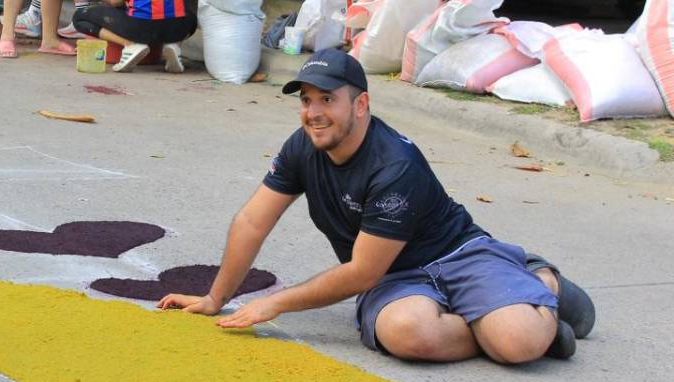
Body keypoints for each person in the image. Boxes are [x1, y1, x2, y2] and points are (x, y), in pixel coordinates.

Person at [158, 48, 596, 364]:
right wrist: (217, 297)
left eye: (327, 99)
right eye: (306, 100)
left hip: (457, 254)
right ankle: (506, 315)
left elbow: (362, 272)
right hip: (397, 276)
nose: (313, 112)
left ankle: (540, 282)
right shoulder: (302, 147)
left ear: (361, 104)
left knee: (517, 344)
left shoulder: (395, 165)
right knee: (407, 334)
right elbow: (253, 220)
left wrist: (278, 303)